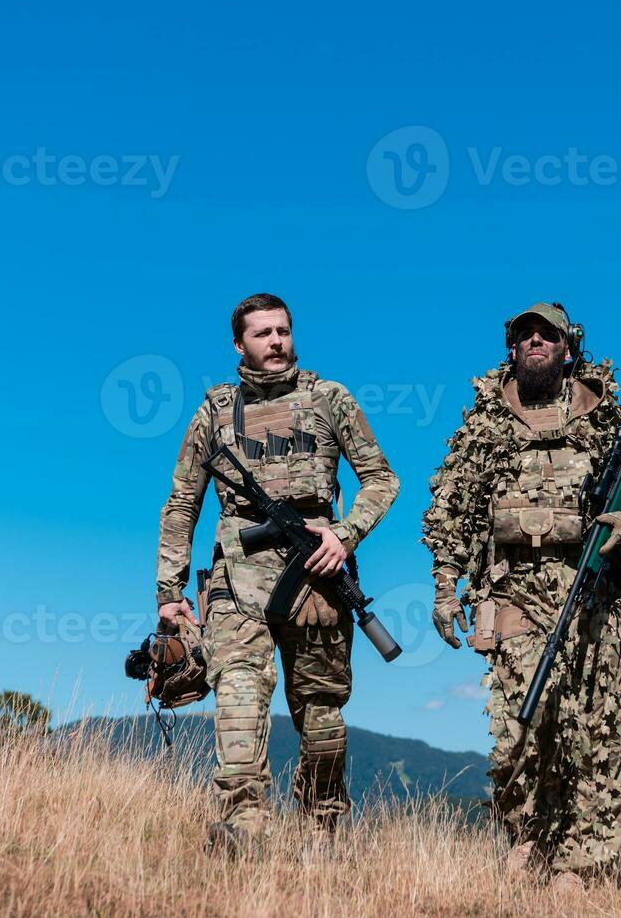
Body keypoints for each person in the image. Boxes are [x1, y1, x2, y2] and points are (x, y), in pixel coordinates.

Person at [422, 301, 621, 890]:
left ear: (568, 348)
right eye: (524, 335)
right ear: (511, 348)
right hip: (511, 588)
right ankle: (528, 842)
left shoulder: (604, 418)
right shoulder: (483, 425)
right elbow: (451, 511)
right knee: (521, 721)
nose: (535, 342)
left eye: (548, 335)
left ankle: (583, 861)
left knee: (593, 726)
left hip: (591, 591)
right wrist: (443, 587)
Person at [154, 292, 399, 852]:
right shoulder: (213, 414)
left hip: (318, 573)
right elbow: (181, 503)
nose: (276, 342)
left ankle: (321, 827)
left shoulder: (329, 399)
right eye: (263, 333)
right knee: (237, 692)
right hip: (237, 579)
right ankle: (244, 826)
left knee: (322, 714)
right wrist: (169, 590)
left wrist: (344, 534)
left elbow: (382, 480)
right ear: (239, 343)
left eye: (283, 331)